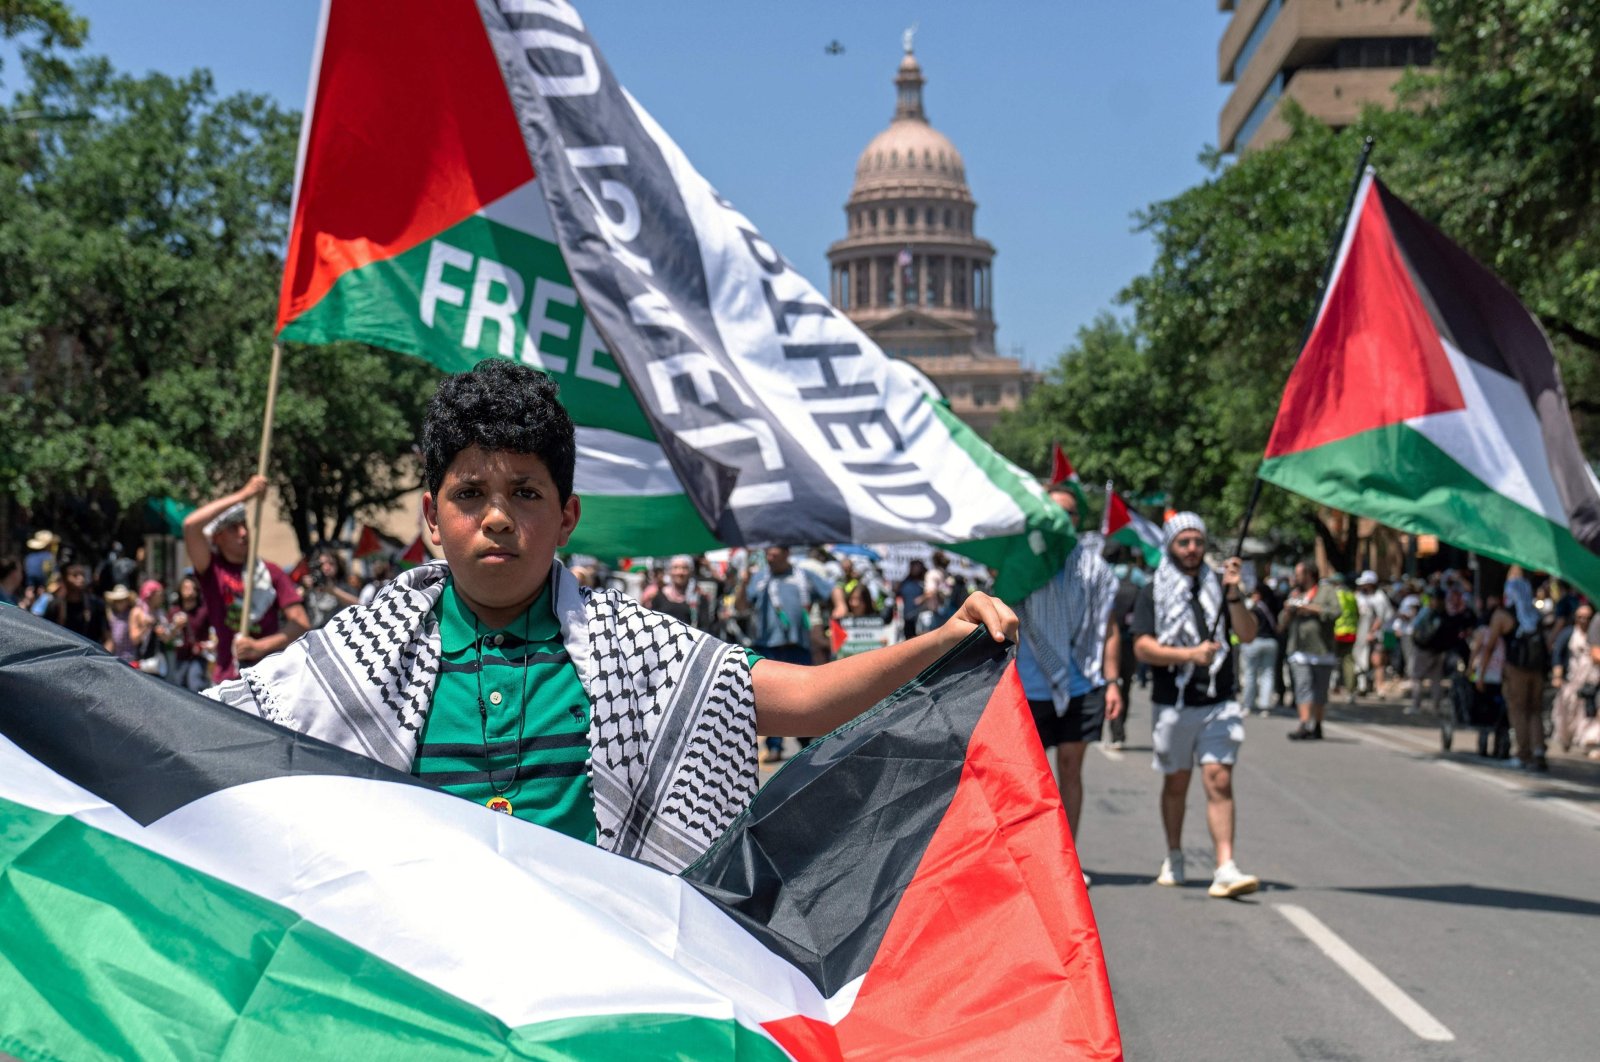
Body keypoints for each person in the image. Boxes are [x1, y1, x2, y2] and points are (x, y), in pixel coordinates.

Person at [204, 360, 1017, 872]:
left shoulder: (632, 651)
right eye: (470, 495)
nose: (496, 518)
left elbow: (802, 699)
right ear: (429, 515)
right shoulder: (357, 657)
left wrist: (944, 641)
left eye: (525, 493)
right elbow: (203, 739)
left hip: (589, 1003)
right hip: (423, 995)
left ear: (567, 518)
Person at [1131, 512, 1260, 899]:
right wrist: (1189, 654)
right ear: (1171, 545)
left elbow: (1247, 633)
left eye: (1198, 542)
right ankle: (1174, 854)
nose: (1192, 549)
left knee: (1219, 778)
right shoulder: (1153, 590)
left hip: (1219, 700)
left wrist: (1233, 593)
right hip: (1174, 702)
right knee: (1177, 782)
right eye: (1184, 542)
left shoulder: (1221, 586)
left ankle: (1225, 865)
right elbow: (1142, 646)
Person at [1016, 485, 1122, 887]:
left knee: (1071, 770)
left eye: (1070, 514)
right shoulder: (1023, 563)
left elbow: (1108, 630)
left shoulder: (1093, 569)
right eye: (1054, 512)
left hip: (1082, 683)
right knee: (1029, 778)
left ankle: (1067, 859)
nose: (1063, 520)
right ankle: (1030, 856)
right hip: (1029, 686)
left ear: (1078, 522)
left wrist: (1112, 684)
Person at [182, 477, 310, 682]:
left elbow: (301, 623)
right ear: (217, 537)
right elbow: (190, 525)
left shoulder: (271, 572)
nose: (243, 533)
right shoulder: (212, 569)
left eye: (245, 526)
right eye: (233, 528)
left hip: (269, 676)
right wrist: (244, 495)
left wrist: (260, 647)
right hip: (228, 676)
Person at [737, 544, 836, 762]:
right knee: (769, 699)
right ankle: (774, 745)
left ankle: (808, 741)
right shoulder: (759, 578)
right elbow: (741, 605)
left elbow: (831, 589)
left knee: (805, 694)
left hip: (797, 644)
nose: (769, 555)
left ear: (786, 552)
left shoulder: (802, 575)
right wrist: (742, 584)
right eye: (767, 552)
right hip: (767, 645)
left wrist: (840, 607)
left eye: (774, 551)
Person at [1480, 568, 1549, 771]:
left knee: (1518, 710)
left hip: (1516, 668)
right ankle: (1539, 751)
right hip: (1536, 669)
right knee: (1535, 710)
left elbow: (1489, 646)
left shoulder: (1503, 616)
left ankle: (1523, 754)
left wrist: (1480, 674)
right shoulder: (1534, 614)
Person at [1281, 562, 1341, 741]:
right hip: (1299, 651)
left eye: (1299, 574)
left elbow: (1335, 612)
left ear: (1309, 575)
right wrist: (1288, 611)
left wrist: (1310, 609)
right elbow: (1281, 623)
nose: (1296, 578)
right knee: (1302, 687)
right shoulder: (1295, 594)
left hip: (1322, 650)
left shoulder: (1326, 591)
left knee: (1320, 692)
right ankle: (1304, 724)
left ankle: (1317, 725)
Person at [1551, 600, 1595, 753]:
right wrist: (1557, 676)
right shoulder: (1568, 633)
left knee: (1586, 715)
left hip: (1589, 682)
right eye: (1580, 617)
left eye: (1587, 617)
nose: (1583, 620)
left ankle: (1585, 743)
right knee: (1565, 714)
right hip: (1570, 681)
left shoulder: (1595, 634)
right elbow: (1557, 654)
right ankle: (1566, 740)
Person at [639, 554, 716, 632]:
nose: (680, 572)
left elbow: (705, 626)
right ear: (670, 571)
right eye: (676, 568)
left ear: (690, 572)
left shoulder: (699, 597)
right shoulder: (659, 596)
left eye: (684, 568)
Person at [45, 563, 109, 649]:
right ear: (65, 578)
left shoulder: (96, 604)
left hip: (92, 657)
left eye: (82, 575)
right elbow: (46, 637)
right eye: (75, 575)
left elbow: (108, 638)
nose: (81, 579)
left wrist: (104, 658)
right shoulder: (54, 606)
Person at [1238, 584, 1279, 719]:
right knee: (1268, 674)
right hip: (1271, 642)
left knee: (1250, 674)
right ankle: (1265, 706)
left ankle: (1248, 705)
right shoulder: (1273, 607)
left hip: (1254, 642)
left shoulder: (1254, 608)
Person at [166, 574, 212, 693]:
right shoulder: (174, 611)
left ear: (197, 591)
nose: (188, 591)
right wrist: (176, 626)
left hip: (198, 657)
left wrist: (207, 645)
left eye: (191, 587)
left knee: (195, 685)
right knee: (178, 690)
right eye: (185, 587)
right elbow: (167, 638)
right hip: (180, 657)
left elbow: (216, 632)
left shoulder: (204, 611)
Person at [1353, 570, 1394, 697]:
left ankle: (1380, 687)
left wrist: (1372, 632)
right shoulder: (1360, 595)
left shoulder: (1380, 597)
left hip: (1378, 635)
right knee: (1361, 659)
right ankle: (1363, 686)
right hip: (1362, 633)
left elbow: (1381, 618)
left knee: (1378, 661)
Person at [302, 547, 360, 629]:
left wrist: (333, 591)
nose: (326, 567)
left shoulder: (344, 586)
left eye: (331, 563)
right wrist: (304, 589)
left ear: (338, 565)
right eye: (322, 564)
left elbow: (359, 604)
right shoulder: (311, 586)